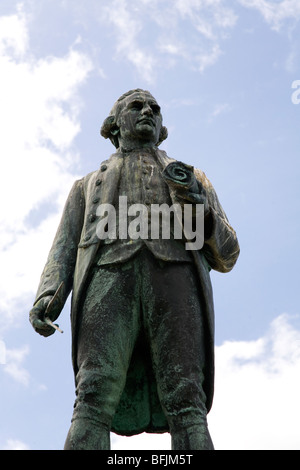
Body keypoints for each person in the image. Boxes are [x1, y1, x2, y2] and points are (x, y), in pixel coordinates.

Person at [29, 89, 240, 450]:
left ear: (162, 127)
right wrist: (49, 294)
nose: (148, 112)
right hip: (107, 283)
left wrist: (196, 201)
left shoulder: (191, 177)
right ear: (113, 126)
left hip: (177, 282)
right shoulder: (86, 185)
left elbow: (228, 253)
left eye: (155, 109)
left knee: (188, 397)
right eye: (136, 106)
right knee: (93, 393)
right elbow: (63, 247)